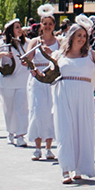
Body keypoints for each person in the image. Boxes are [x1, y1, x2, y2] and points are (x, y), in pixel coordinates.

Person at [52, 22, 95, 184]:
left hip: (84, 94)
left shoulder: (90, 55)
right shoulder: (59, 55)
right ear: (71, 37)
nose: (82, 39)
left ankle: (80, 168)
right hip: (63, 93)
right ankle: (65, 169)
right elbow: (47, 74)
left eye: (84, 36)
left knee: (82, 130)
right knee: (65, 129)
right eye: (79, 35)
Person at [25, 12, 61, 162]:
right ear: (41, 25)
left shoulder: (59, 42)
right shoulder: (35, 41)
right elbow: (27, 59)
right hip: (37, 79)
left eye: (50, 24)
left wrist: (51, 53)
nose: (47, 27)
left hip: (53, 79)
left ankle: (49, 148)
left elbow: (62, 58)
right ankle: (37, 147)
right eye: (44, 24)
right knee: (37, 111)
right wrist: (32, 66)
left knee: (51, 112)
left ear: (54, 26)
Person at [0, 19, 30, 146]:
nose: (20, 29)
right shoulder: (2, 43)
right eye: (17, 27)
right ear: (10, 30)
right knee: (9, 109)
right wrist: (4, 54)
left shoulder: (25, 44)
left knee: (21, 109)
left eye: (20, 27)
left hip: (22, 81)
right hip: (8, 82)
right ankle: (10, 132)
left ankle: (20, 135)